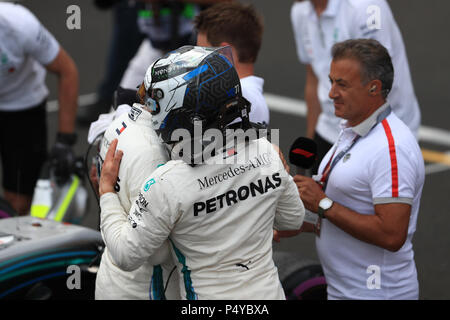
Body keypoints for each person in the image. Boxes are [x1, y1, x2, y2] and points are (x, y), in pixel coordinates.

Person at [99, 46, 305, 299]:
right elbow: (293, 220)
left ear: (178, 113)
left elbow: (125, 255)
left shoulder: (166, 182)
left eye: (154, 103)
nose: (149, 110)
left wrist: (106, 191)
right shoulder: (269, 153)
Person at [287, 39, 424, 299]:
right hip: (344, 291)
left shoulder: (391, 148)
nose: (331, 93)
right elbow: (344, 211)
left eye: (343, 84)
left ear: (374, 88)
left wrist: (323, 204)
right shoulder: (352, 131)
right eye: (332, 81)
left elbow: (392, 234)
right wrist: (295, 221)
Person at [291, 0, 421, 173]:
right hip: (332, 129)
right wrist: (311, 142)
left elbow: (377, 79)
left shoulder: (367, 6)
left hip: (380, 131)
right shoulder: (300, 12)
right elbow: (313, 79)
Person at [94, 95, 180, 299]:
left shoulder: (120, 122)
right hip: (146, 288)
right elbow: (156, 253)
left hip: (112, 278)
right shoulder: (153, 153)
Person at [0, 2, 79, 215]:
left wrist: (65, 140)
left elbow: (67, 71)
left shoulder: (20, 25)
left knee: (18, 202)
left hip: (22, 106)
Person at [194, 1, 269, 126]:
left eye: (202, 53)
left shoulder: (240, 95)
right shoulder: (252, 96)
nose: (197, 62)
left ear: (224, 54)